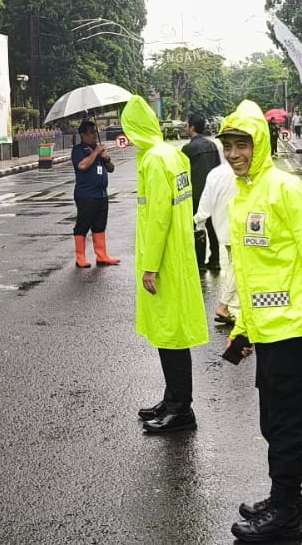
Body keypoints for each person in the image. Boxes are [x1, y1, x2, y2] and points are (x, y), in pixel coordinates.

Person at [218, 99, 302, 543]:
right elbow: (251, 276)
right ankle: (289, 501)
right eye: (228, 145)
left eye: (241, 145)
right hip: (267, 335)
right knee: (273, 423)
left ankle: (285, 513)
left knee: (286, 428)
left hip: (294, 332)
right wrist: (244, 329)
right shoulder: (243, 195)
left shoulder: (285, 190)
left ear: (260, 144)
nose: (233, 154)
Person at [123, 95, 209, 435]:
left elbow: (158, 218)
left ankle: (181, 409)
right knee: (168, 331)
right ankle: (172, 397)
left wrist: (150, 266)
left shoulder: (154, 161)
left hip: (164, 260)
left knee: (170, 334)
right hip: (178, 254)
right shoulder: (171, 153)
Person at [195, 149, 238, 327]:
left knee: (234, 265)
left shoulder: (215, 173)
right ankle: (225, 306)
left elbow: (205, 201)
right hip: (241, 229)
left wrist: (199, 222)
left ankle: (234, 306)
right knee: (238, 267)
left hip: (223, 228)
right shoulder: (248, 172)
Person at [70, 120, 119, 267]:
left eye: (95, 132)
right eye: (91, 132)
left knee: (99, 225)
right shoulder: (79, 150)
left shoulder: (98, 150)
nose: (95, 136)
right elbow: (82, 165)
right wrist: (96, 152)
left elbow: (111, 168)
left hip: (101, 195)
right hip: (86, 195)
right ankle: (80, 258)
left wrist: (106, 157)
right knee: (83, 225)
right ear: (83, 135)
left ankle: (102, 256)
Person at [182, 114, 223, 271]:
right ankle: (215, 260)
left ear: (192, 127)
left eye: (187, 125)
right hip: (213, 193)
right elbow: (218, 168)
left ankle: (200, 262)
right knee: (213, 227)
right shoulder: (212, 145)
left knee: (199, 226)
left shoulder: (188, 149)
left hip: (196, 194)